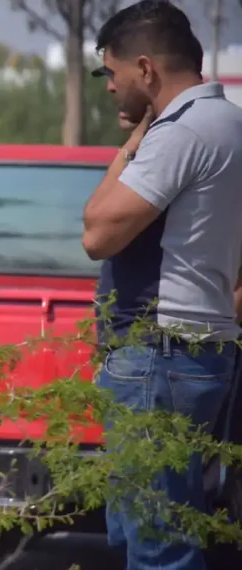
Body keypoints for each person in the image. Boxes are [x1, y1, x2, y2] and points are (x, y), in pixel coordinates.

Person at [81, 2, 242, 569]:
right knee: (145, 533)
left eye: (112, 73)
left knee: (157, 546)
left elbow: (98, 230)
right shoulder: (228, 124)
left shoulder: (183, 132)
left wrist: (135, 142)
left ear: (145, 69)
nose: (110, 88)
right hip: (194, 352)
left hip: (160, 355)